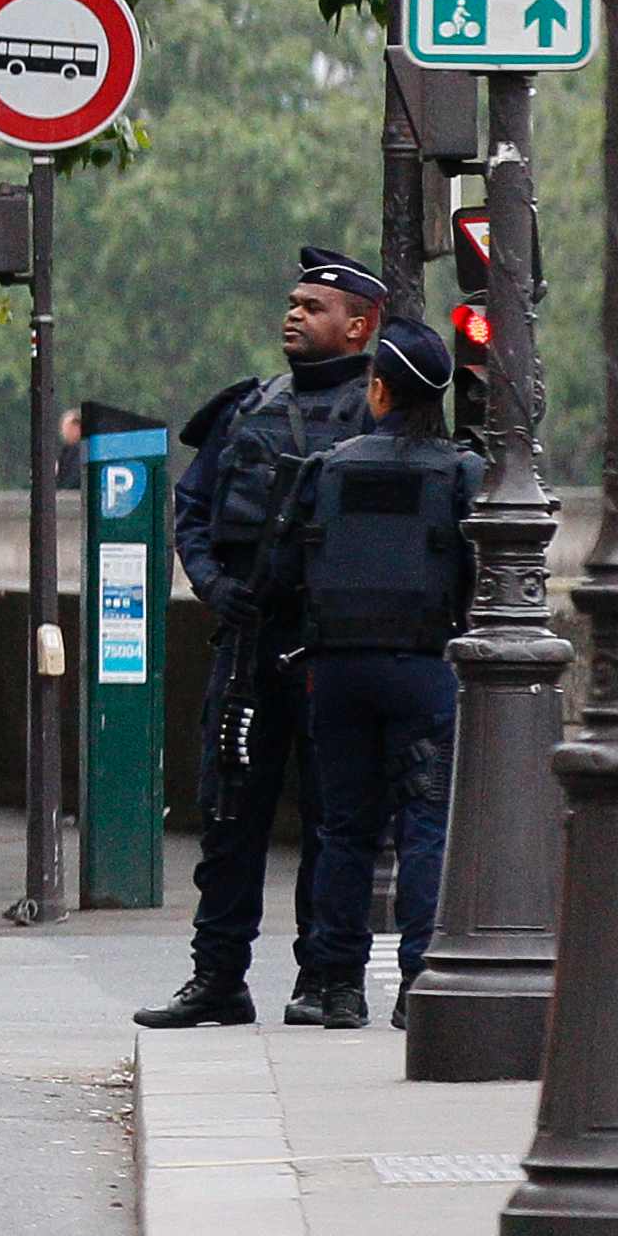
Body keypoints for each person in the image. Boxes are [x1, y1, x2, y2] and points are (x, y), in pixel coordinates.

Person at [140, 248, 390, 1031]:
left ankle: (329, 978)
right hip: (251, 646)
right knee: (230, 815)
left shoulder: (380, 418)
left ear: (359, 326)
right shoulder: (247, 409)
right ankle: (218, 977)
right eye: (292, 302)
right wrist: (217, 588)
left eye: (313, 307)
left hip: (336, 650)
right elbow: (192, 508)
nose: (294, 314)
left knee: (337, 818)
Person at [257, 318, 477, 1033]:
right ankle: (419, 980)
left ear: (377, 390)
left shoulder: (329, 468)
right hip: (422, 668)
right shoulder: (461, 474)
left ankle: (338, 985)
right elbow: (481, 574)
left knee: (344, 829)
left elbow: (281, 572)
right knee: (423, 826)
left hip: (339, 671)